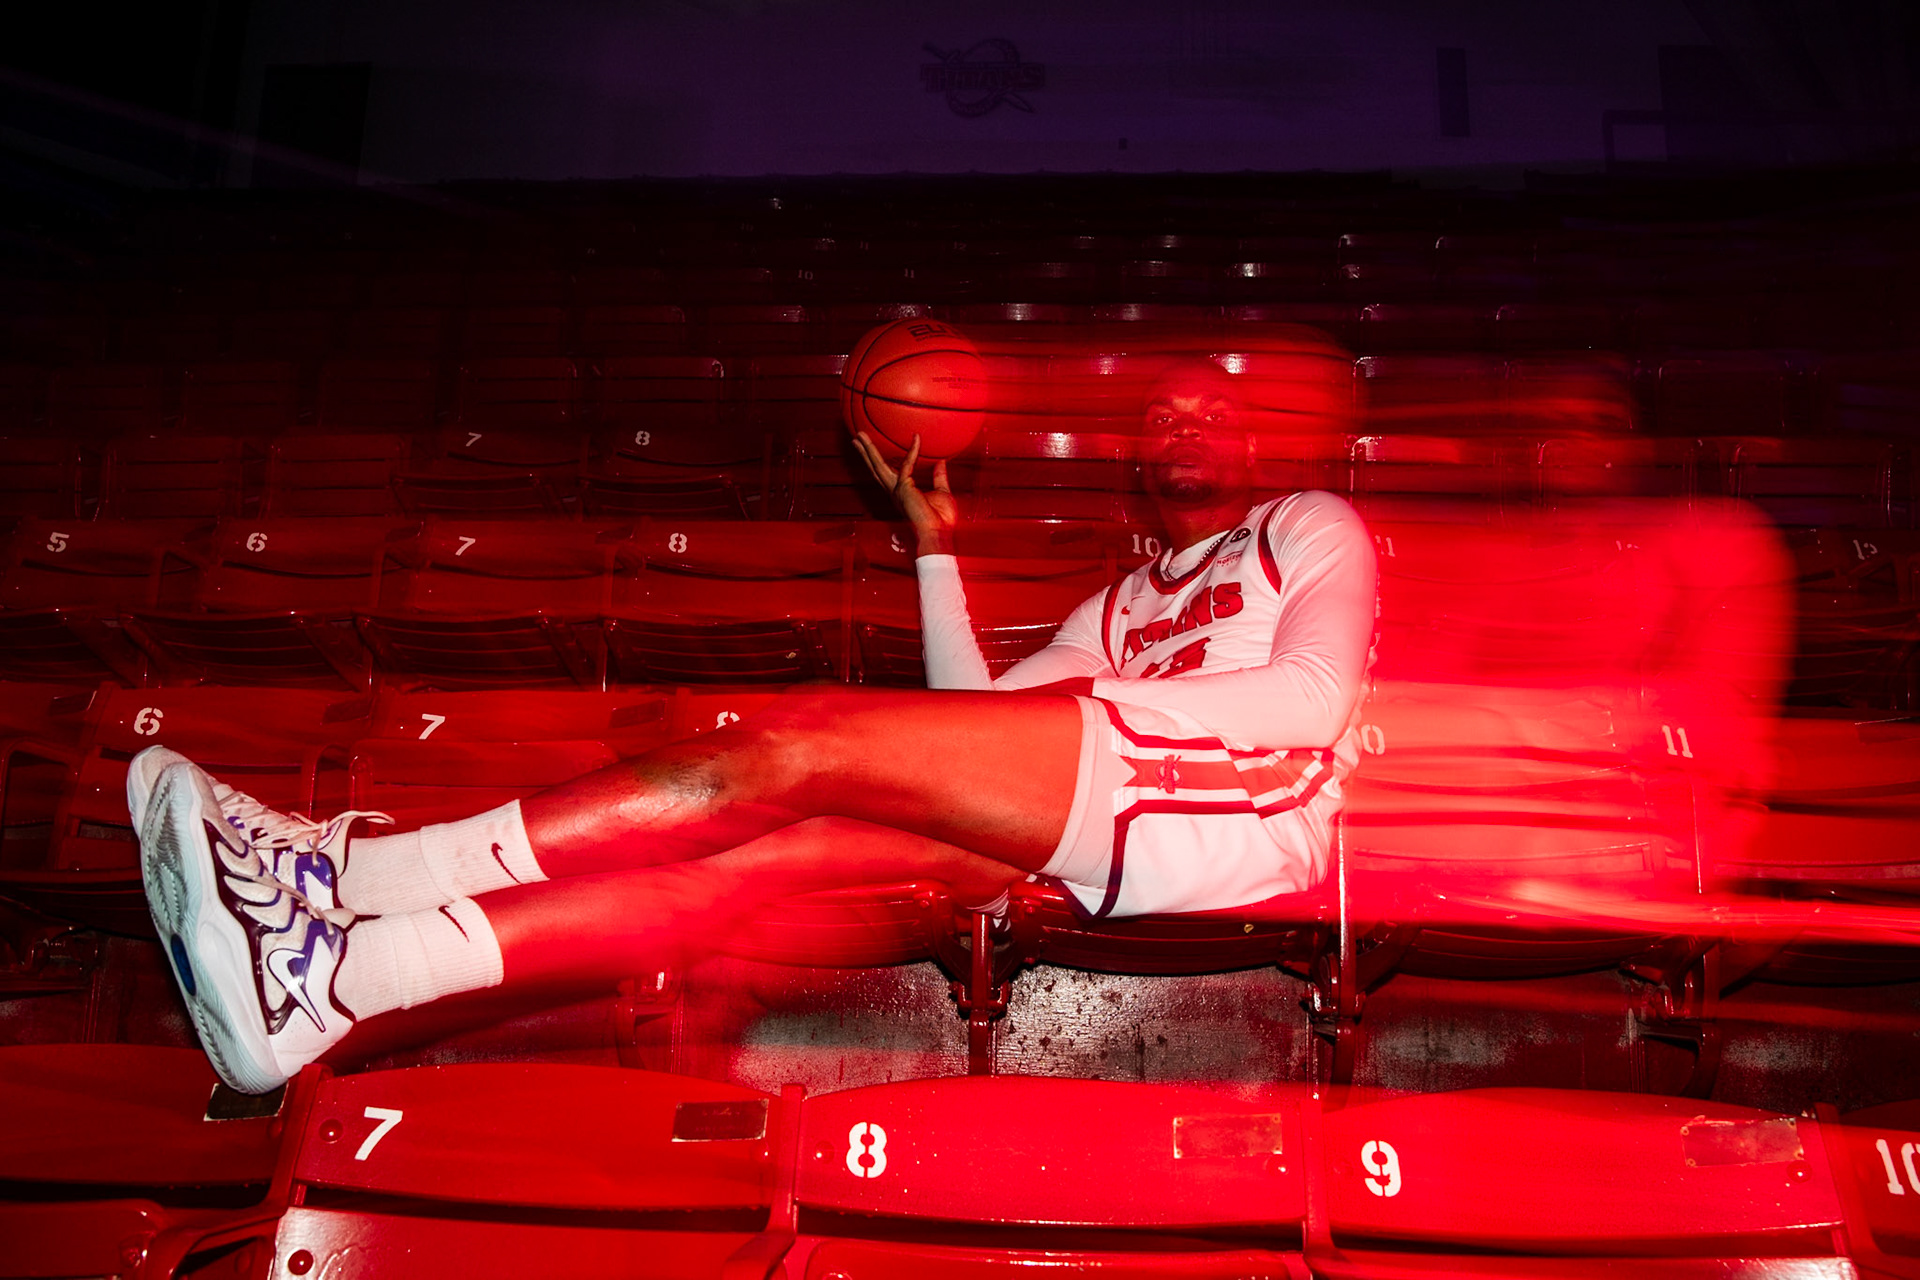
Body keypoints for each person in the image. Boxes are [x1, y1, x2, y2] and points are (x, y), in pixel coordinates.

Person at [132, 358, 1378, 1094]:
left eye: (1211, 412)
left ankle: (348, 872)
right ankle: (338, 982)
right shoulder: (1115, 608)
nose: (1183, 426)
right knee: (731, 868)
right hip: (1118, 795)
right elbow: (974, 729)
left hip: (1246, 811)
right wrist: (933, 548)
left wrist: (1082, 706)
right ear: (1137, 462)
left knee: (812, 737)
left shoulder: (1307, 524)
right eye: (1161, 415)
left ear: (1255, 443)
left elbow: (1312, 698)